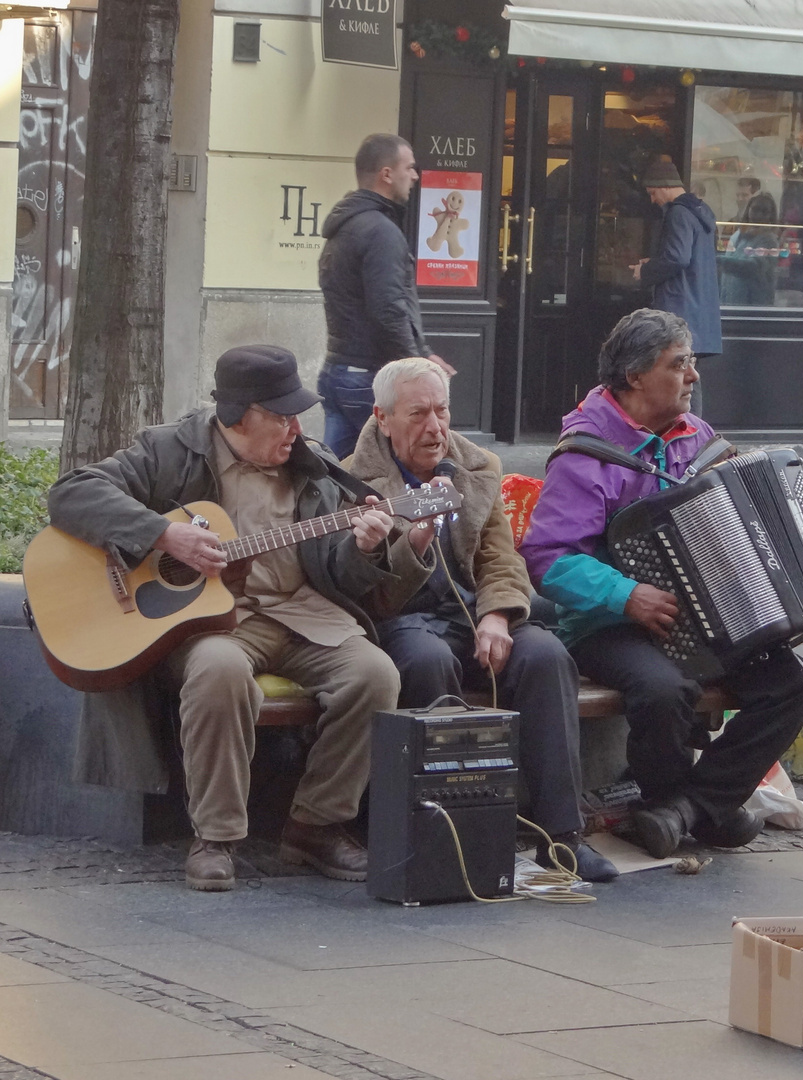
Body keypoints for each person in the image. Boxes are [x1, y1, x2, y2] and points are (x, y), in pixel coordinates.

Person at [46, 346, 432, 892]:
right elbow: (70, 493)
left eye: (298, 414)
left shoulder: (315, 467)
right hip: (212, 622)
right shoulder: (169, 450)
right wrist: (163, 534)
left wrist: (366, 549)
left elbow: (340, 576)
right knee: (219, 671)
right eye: (281, 416)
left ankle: (315, 826)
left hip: (302, 614)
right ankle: (216, 837)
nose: (296, 428)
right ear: (236, 416)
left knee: (375, 675)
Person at [519, 309, 803, 858]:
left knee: (793, 683)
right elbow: (548, 558)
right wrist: (626, 594)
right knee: (665, 688)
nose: (694, 375)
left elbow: (764, 509)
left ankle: (687, 809)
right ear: (636, 376)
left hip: (715, 617)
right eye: (680, 364)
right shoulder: (586, 455)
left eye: (690, 363)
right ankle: (678, 803)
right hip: (608, 624)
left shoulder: (701, 439)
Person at [348, 358, 619, 883]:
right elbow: (370, 592)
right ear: (382, 418)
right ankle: (439, 834)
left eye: (443, 411)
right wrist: (415, 543)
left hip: (470, 613)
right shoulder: (353, 480)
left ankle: (560, 837)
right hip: (402, 619)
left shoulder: (476, 467)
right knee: (425, 661)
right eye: (419, 414)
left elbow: (500, 559)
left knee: (546, 655)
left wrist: (496, 616)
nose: (436, 427)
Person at [318, 133, 452, 458]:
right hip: (368, 379)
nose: (416, 176)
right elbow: (389, 309)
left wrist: (422, 351)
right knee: (403, 473)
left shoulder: (347, 225)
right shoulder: (381, 232)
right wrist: (417, 365)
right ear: (386, 174)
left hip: (339, 373)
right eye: (410, 167)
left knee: (335, 477)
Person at [631, 160, 721, 415]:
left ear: (664, 187)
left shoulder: (678, 213)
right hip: (697, 305)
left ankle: (692, 433)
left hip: (680, 306)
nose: (652, 200)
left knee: (684, 374)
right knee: (688, 372)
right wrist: (655, 262)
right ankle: (692, 432)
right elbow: (688, 259)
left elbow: (677, 258)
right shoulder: (699, 212)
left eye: (652, 193)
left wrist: (645, 271)